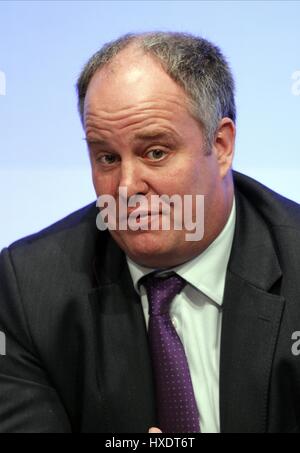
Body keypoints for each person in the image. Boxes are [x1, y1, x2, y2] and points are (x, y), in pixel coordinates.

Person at [0, 32, 300, 433]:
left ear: (222, 144)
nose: (125, 189)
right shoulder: (29, 289)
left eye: (154, 153)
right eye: (107, 157)